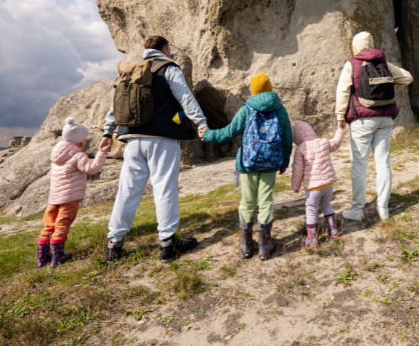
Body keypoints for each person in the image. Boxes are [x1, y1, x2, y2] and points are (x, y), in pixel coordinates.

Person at [101, 36, 209, 264]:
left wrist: (107, 133)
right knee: (164, 187)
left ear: (145, 50)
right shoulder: (168, 67)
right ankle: (168, 244)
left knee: (127, 190)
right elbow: (185, 97)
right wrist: (201, 123)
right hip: (162, 139)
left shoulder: (131, 71)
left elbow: (115, 105)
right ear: (165, 49)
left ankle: (114, 244)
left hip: (131, 138)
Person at [200, 73, 292, 261]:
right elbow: (287, 137)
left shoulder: (247, 108)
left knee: (247, 202)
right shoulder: (280, 109)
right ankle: (265, 246)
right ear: (271, 88)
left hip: (249, 163)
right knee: (266, 202)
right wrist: (284, 162)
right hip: (270, 163)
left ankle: (246, 245)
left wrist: (208, 135)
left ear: (253, 90)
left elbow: (229, 132)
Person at [335, 31, 413, 222]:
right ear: (371, 45)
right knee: (383, 162)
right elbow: (407, 78)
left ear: (354, 47)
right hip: (385, 118)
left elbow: (343, 91)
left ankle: (357, 209)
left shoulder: (352, 64)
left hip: (362, 120)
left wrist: (340, 117)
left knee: (360, 165)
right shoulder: (384, 62)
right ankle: (383, 207)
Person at [37, 117, 111, 268]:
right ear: (79, 140)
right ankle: (57, 258)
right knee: (62, 225)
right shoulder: (78, 155)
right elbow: (91, 169)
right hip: (69, 198)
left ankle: (42, 258)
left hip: (55, 197)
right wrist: (101, 154)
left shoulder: (57, 155)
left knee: (48, 225)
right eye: (85, 138)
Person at [291, 120, 346, 248]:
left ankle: (312, 239)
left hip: (313, 187)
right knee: (326, 204)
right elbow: (336, 143)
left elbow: (297, 170)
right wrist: (340, 131)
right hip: (328, 184)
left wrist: (295, 186)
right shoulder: (323, 142)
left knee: (311, 210)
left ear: (297, 137)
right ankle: (333, 230)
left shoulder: (300, 149)